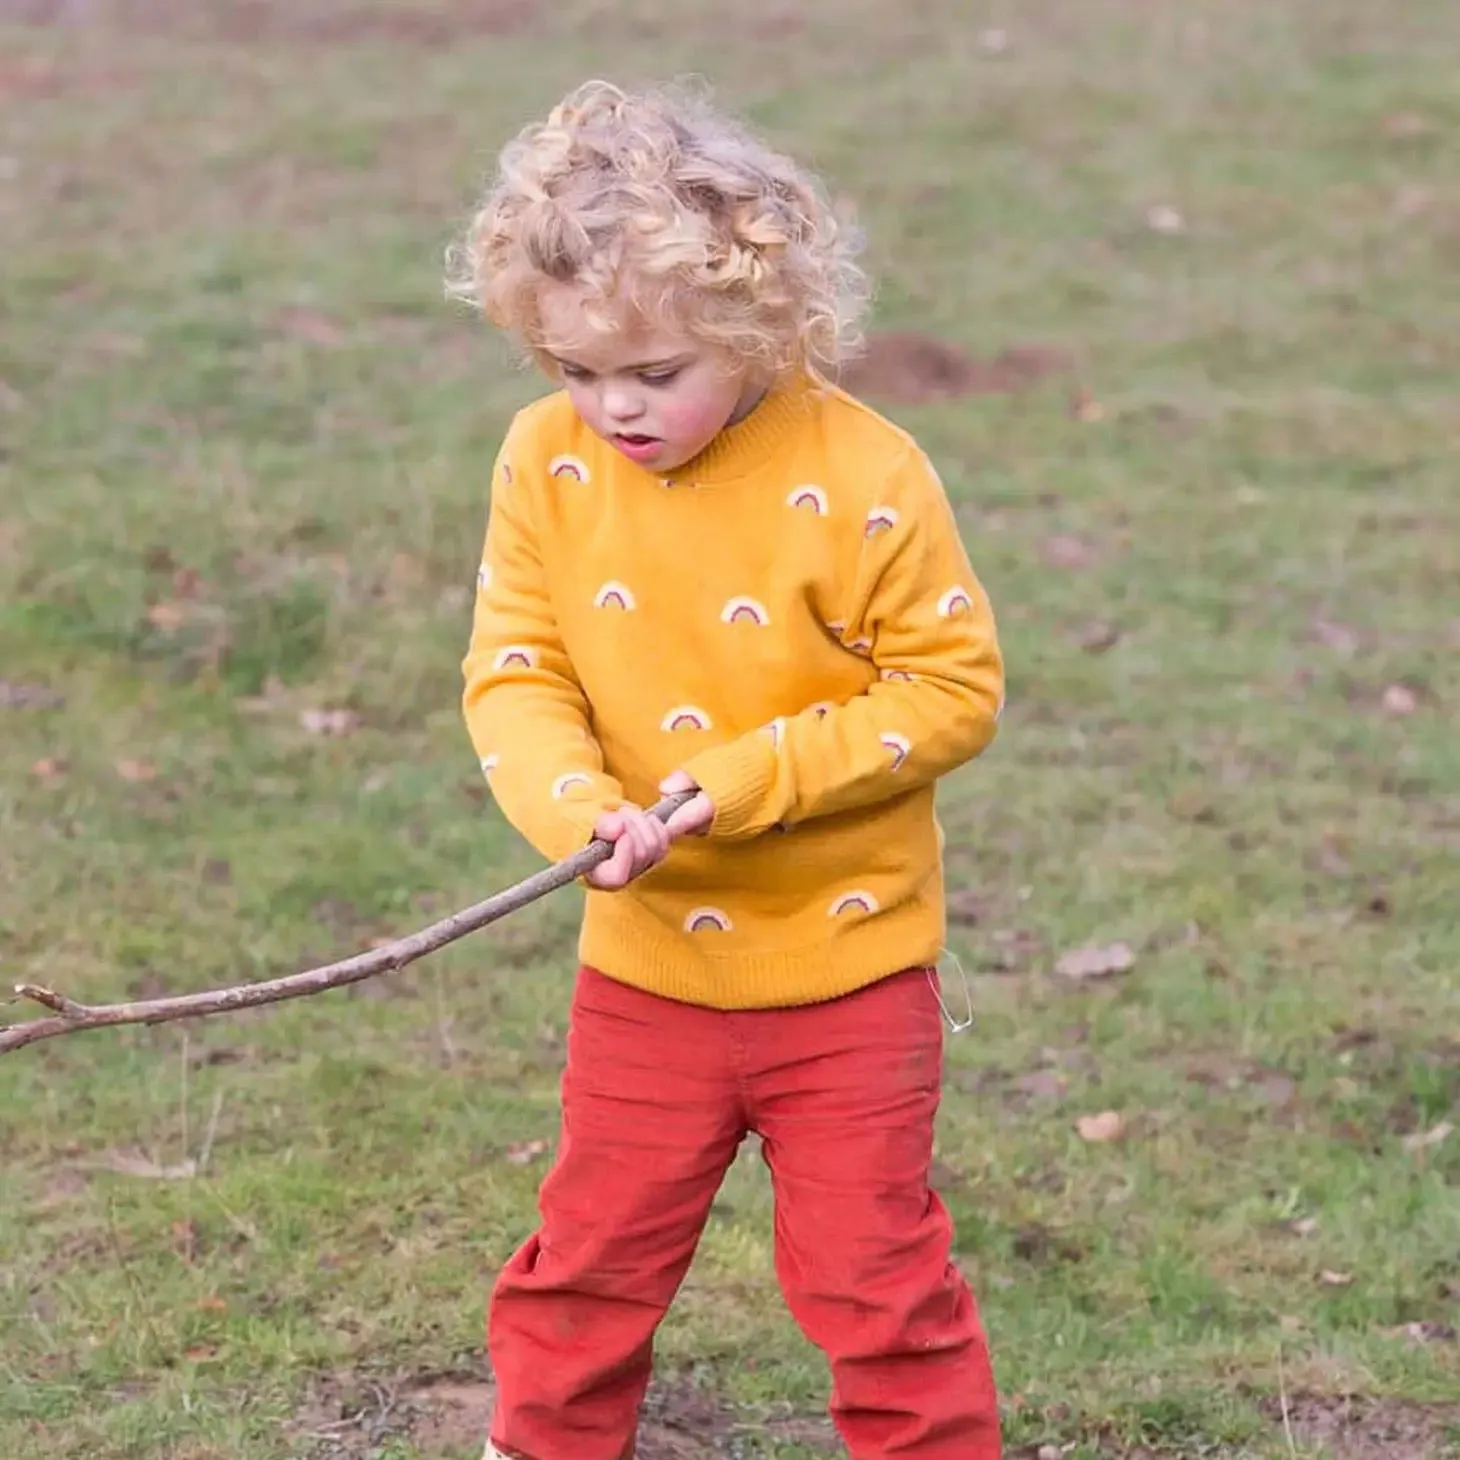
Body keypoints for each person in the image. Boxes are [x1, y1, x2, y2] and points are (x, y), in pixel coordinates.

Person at [447, 76, 1007, 1460]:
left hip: (852, 974)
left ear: (759, 324)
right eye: (574, 371)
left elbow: (949, 689)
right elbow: (517, 672)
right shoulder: (546, 465)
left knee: (878, 1284)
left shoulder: (869, 475)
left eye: (653, 376)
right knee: (588, 1266)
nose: (611, 410)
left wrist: (749, 781)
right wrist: (577, 812)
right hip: (645, 976)